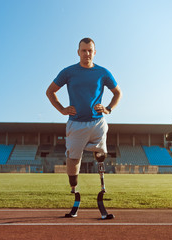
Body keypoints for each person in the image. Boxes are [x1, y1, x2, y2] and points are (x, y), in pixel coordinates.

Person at [46, 37, 122, 193]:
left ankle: (100, 171)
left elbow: (117, 93)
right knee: (73, 159)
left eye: (89, 50)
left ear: (94, 52)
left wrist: (108, 108)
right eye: (83, 50)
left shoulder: (103, 72)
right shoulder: (68, 72)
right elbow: (50, 91)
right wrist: (62, 109)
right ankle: (74, 189)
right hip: (76, 123)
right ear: (78, 52)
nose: (87, 53)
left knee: (101, 154)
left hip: (98, 122)